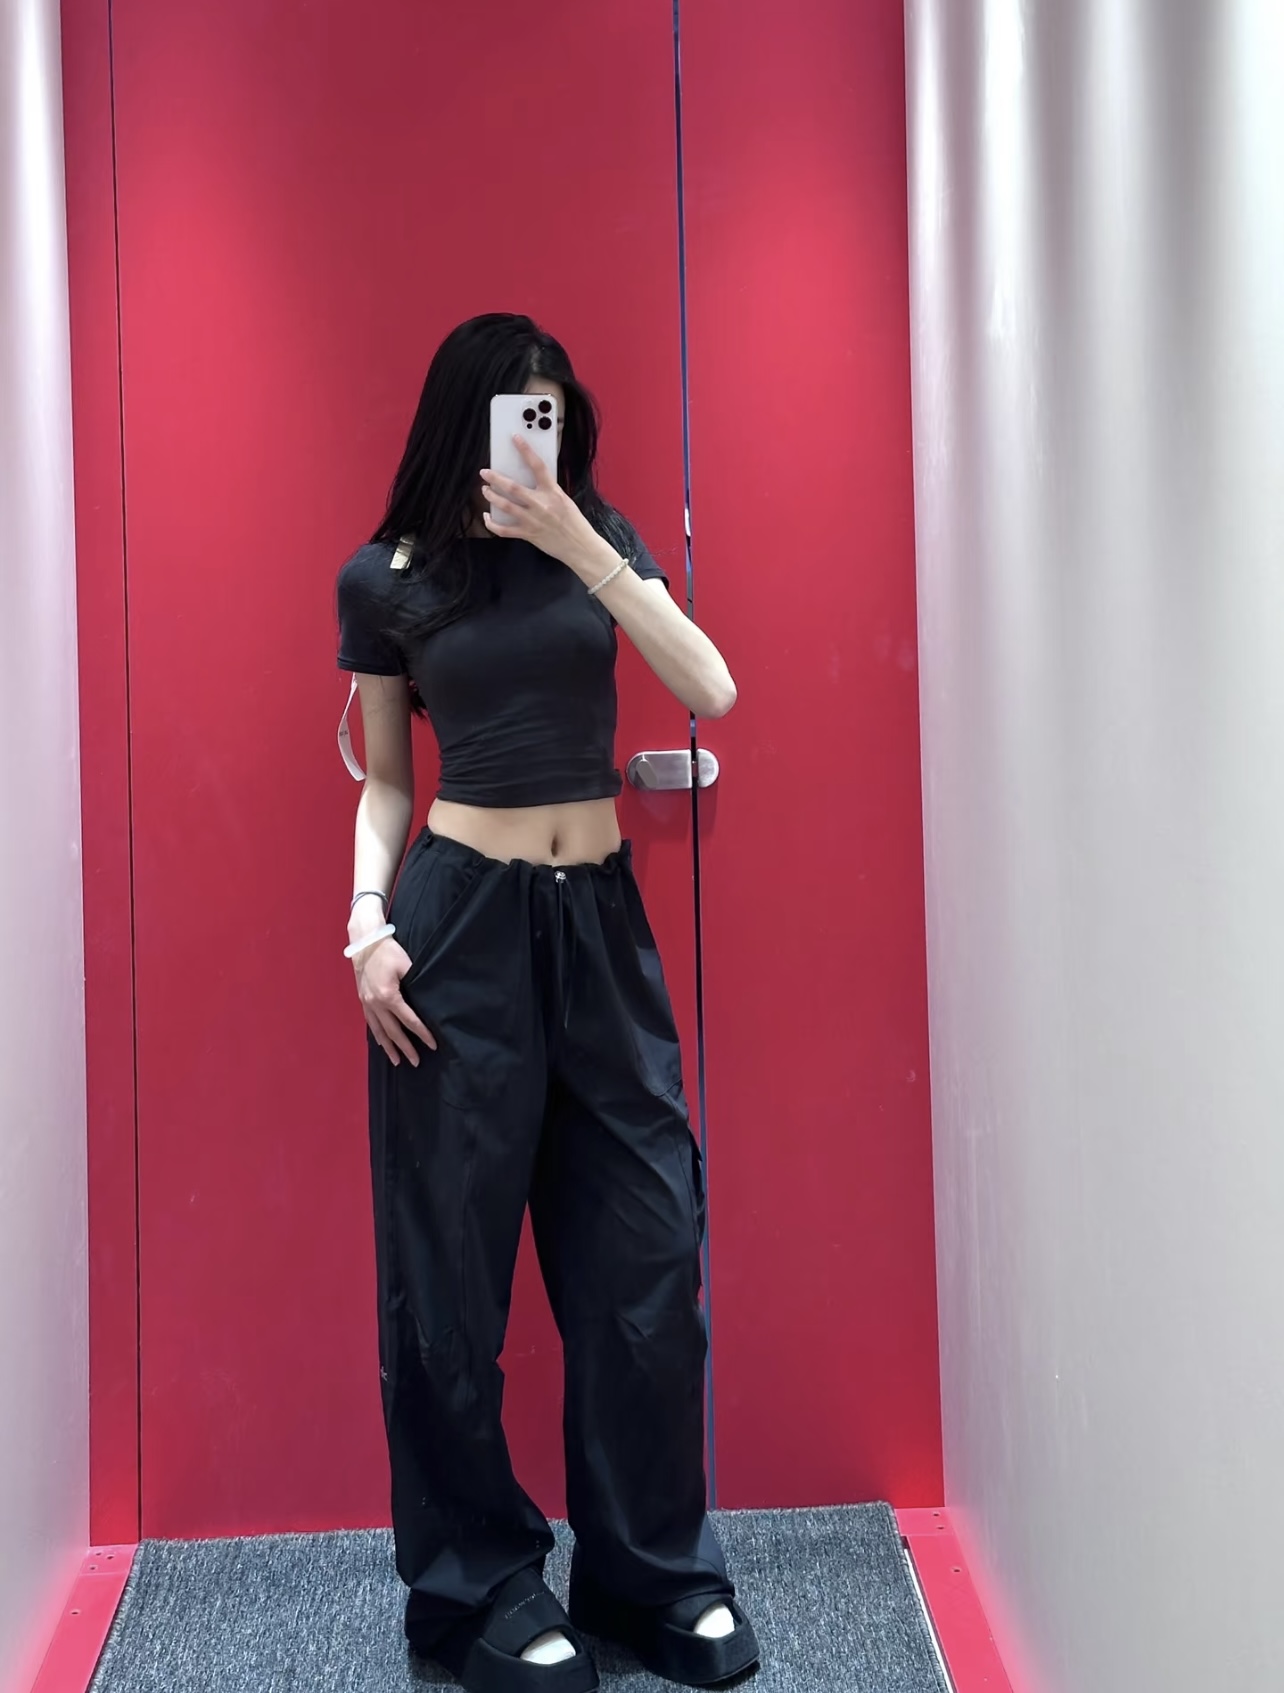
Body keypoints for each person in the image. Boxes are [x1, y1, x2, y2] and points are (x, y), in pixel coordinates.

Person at [336, 313, 760, 1693]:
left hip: (600, 927)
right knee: (448, 1283)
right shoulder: (389, 578)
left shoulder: (602, 539)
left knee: (648, 1256)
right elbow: (386, 780)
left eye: (556, 412)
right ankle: (478, 1588)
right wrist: (365, 926)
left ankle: (650, 1573)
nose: (542, 433)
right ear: (462, 421)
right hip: (457, 934)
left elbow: (710, 687)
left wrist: (582, 540)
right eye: (519, 412)